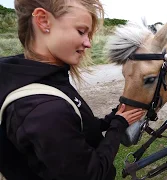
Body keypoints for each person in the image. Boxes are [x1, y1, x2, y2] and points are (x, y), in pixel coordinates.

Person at [0, 0, 145, 179]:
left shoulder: (35, 78)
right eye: (81, 31)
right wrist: (118, 127)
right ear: (43, 20)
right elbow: (93, 174)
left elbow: (76, 129)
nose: (88, 43)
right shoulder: (45, 110)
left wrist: (111, 120)